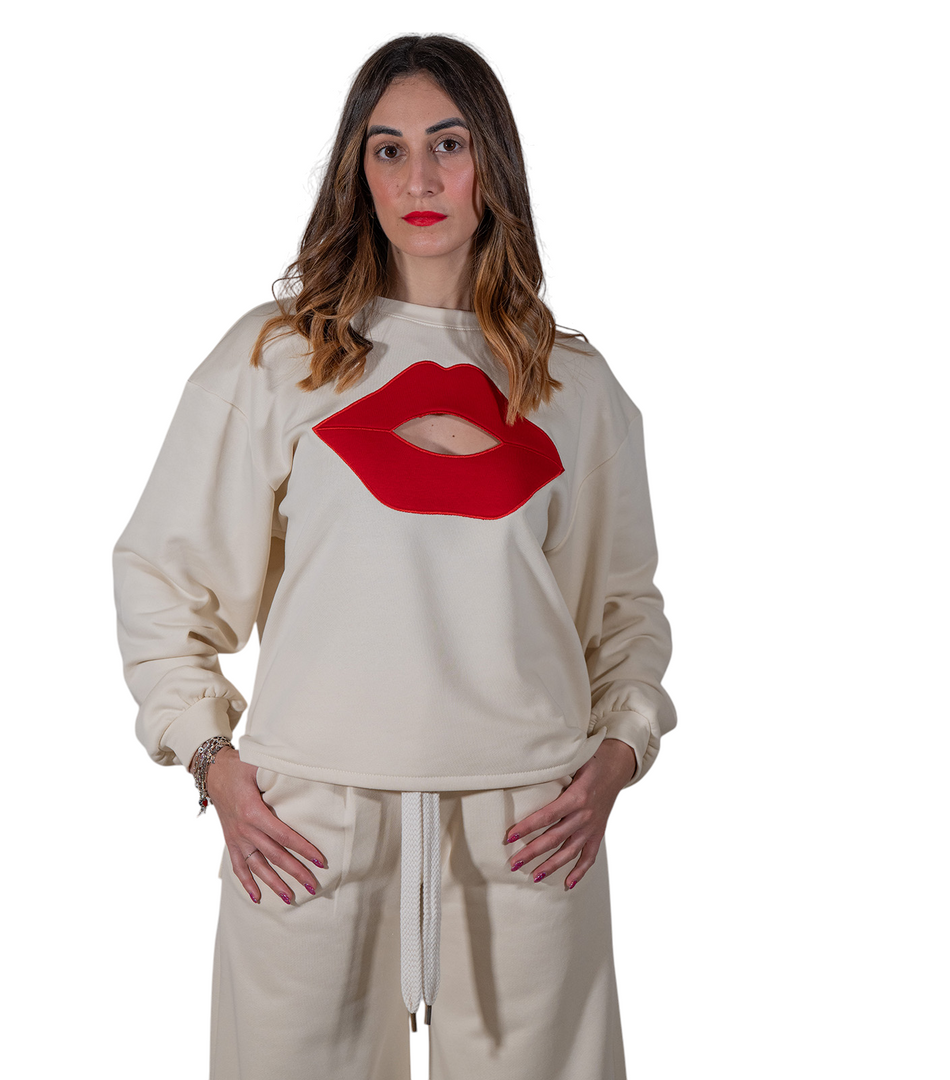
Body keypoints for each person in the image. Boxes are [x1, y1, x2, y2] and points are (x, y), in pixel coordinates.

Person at [112, 33, 676, 1080]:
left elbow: (624, 613)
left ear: (492, 164)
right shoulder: (276, 360)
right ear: (357, 172)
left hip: (531, 824)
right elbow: (162, 578)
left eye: (448, 145)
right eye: (388, 149)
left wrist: (618, 757)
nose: (419, 178)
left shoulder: (577, 389)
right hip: (306, 831)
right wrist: (213, 763)